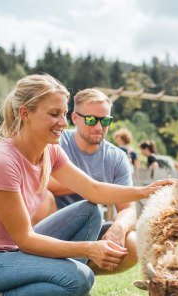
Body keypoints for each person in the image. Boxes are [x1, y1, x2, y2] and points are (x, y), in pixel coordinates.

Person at [0, 74, 175, 296]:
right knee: (79, 280)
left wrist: (144, 191)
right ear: (25, 113)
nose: (62, 123)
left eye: (64, 114)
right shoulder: (1, 161)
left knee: (90, 210)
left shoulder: (49, 151)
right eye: (54, 114)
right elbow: (26, 240)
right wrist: (89, 249)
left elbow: (93, 190)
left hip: (9, 252)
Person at [35, 89, 139, 277]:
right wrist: (96, 188)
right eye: (91, 120)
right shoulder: (56, 142)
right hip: (51, 225)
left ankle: (78, 275)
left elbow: (128, 208)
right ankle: (40, 272)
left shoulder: (117, 157)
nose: (99, 127)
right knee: (43, 198)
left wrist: (119, 228)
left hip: (91, 226)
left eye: (105, 120)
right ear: (74, 118)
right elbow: (42, 184)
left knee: (133, 243)